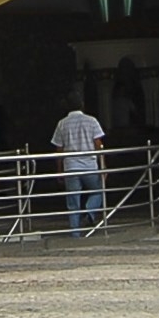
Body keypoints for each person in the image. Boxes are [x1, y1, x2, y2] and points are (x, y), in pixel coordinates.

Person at [49, 94, 107, 236]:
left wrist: (59, 170)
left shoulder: (62, 123)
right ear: (82, 104)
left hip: (71, 167)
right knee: (98, 190)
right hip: (89, 165)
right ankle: (89, 210)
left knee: (73, 202)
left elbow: (59, 149)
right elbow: (98, 145)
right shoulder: (92, 121)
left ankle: (75, 233)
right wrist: (103, 166)